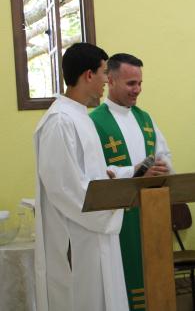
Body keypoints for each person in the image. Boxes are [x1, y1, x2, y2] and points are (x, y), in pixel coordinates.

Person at [34, 43, 128, 310]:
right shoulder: (60, 121)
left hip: (94, 231)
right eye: (103, 73)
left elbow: (85, 176)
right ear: (88, 75)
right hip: (80, 237)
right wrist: (109, 209)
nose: (107, 81)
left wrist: (114, 181)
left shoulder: (80, 117)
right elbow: (64, 188)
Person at [89, 53, 173, 309]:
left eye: (139, 83)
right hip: (118, 216)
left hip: (150, 212)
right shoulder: (94, 122)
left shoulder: (145, 119)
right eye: (130, 84)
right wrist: (135, 173)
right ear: (110, 80)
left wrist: (162, 167)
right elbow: (95, 172)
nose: (137, 90)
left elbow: (165, 155)